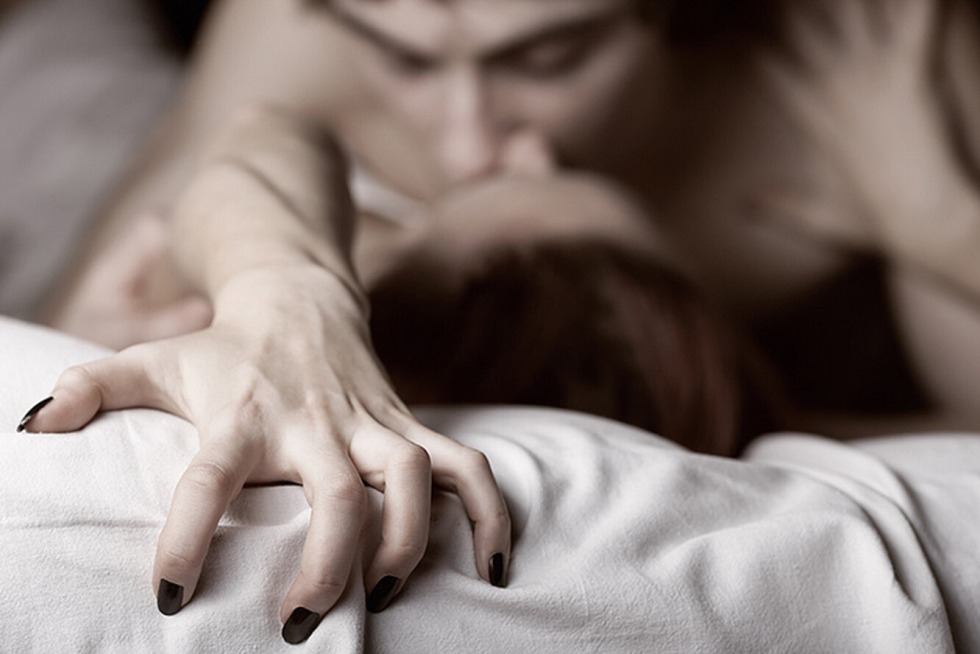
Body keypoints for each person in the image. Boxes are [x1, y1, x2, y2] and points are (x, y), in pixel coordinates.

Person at [13, 0, 980, 644]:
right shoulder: (302, 37)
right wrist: (285, 302)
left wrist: (943, 218)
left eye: (551, 56)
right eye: (399, 56)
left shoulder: (870, 77)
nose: (469, 145)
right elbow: (254, 146)